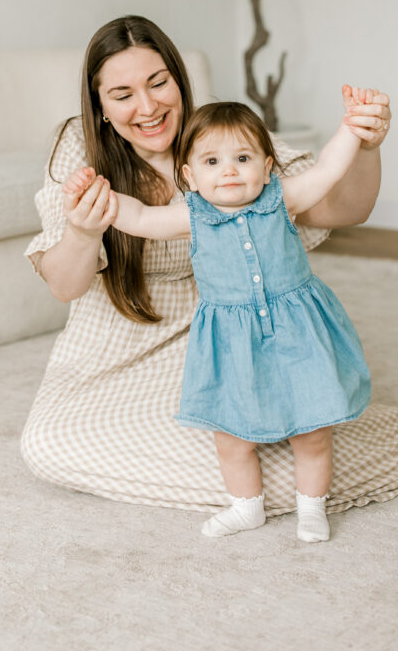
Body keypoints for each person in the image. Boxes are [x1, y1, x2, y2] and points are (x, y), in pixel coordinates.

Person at [21, 15, 398, 521]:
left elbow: (334, 203)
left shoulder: (222, 132)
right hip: (113, 339)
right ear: (98, 106)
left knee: (276, 456)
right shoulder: (78, 145)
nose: (148, 106)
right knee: (47, 445)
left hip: (226, 335)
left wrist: (366, 146)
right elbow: (65, 284)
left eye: (159, 83)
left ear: (179, 80)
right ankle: (288, 470)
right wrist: (81, 230)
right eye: (122, 94)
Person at [62, 98, 373, 541]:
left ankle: (312, 507)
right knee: (231, 436)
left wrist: (353, 128)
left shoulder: (281, 197)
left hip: (299, 332)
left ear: (267, 168)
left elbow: (326, 170)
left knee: (312, 430)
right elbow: (139, 217)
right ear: (189, 176)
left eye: (242, 159)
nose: (228, 171)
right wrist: (94, 194)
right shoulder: (192, 214)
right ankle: (246, 507)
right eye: (212, 161)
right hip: (232, 342)